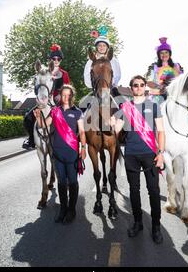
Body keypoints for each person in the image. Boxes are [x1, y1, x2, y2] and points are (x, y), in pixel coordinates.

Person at [111, 75, 165, 244]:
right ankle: (138, 222)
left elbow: (161, 131)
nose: (139, 87)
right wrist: (112, 123)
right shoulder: (125, 107)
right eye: (136, 85)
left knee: (154, 191)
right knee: (134, 190)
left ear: (144, 88)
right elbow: (117, 130)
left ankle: (156, 226)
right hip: (131, 154)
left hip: (150, 154)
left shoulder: (153, 106)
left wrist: (161, 153)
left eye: (142, 85)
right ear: (132, 88)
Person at [34, 85, 86, 224]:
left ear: (72, 96)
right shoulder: (55, 111)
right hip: (57, 154)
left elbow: (81, 132)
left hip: (72, 153)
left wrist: (83, 147)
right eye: (63, 95)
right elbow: (43, 125)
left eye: (68, 95)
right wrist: (39, 118)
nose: (66, 97)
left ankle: (71, 210)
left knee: (73, 182)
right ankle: (63, 209)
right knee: (62, 183)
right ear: (60, 96)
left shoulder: (77, 112)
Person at [147, 37, 188, 145]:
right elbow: (149, 83)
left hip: (175, 95)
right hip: (159, 95)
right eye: (161, 53)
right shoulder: (155, 67)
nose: (164, 55)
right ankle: (150, 136)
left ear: (169, 54)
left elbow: (183, 81)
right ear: (159, 55)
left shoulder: (176, 66)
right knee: (151, 112)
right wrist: (160, 87)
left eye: (166, 52)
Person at [22, 44, 71, 149]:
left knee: (70, 118)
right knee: (28, 118)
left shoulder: (64, 74)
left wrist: (61, 96)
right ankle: (31, 139)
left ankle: (71, 139)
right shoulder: (44, 72)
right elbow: (38, 87)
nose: (56, 60)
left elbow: (68, 89)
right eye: (54, 58)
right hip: (44, 102)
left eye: (58, 58)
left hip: (59, 103)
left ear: (61, 60)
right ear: (51, 60)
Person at [83, 27, 122, 96]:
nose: (102, 47)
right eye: (99, 45)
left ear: (107, 48)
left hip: (111, 88)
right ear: (96, 47)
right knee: (83, 104)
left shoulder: (113, 60)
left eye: (104, 45)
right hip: (96, 89)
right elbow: (86, 75)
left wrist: (110, 86)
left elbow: (117, 75)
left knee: (123, 104)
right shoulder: (91, 61)